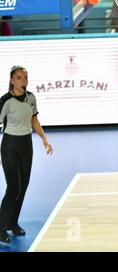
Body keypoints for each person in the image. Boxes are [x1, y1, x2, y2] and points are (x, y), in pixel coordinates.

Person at [0, 66, 53, 244]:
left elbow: (34, 120)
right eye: (19, 78)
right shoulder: (5, 101)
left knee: (23, 187)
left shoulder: (31, 98)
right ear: (12, 80)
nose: (23, 81)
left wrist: (44, 139)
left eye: (25, 78)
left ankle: (13, 223)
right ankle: (1, 227)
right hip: (10, 146)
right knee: (13, 187)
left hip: (26, 145)